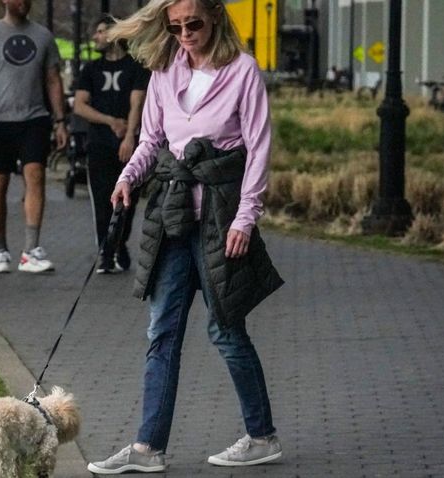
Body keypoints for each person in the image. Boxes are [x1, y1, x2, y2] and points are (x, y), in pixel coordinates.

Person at [86, 0, 285, 473]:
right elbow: (153, 141)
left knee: (225, 328)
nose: (185, 34)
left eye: (193, 24)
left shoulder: (242, 71)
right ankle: (146, 449)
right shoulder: (166, 70)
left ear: (215, 16)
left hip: (219, 216)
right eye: (176, 27)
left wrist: (245, 217)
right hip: (173, 215)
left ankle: (262, 436)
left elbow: (258, 147)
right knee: (161, 331)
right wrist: (128, 178)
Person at [0, 0, 69, 274]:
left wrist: (60, 121)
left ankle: (30, 249)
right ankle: (0, 251)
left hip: (33, 119)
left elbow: (53, 80)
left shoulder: (43, 36)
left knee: (36, 176)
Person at [73, 16, 150, 274]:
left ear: (116, 35)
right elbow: (80, 105)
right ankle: (106, 251)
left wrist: (129, 135)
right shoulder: (90, 70)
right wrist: (109, 121)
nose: (96, 36)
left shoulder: (136, 68)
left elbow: (137, 103)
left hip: (128, 145)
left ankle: (120, 242)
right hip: (98, 144)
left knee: (129, 200)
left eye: (101, 31)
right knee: (103, 201)